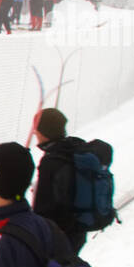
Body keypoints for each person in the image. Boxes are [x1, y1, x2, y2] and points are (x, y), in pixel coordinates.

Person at [30, 108, 89, 254]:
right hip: (78, 230)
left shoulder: (52, 161)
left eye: (36, 129)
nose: (34, 132)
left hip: (59, 236)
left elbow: (42, 209)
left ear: (43, 131)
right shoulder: (74, 149)